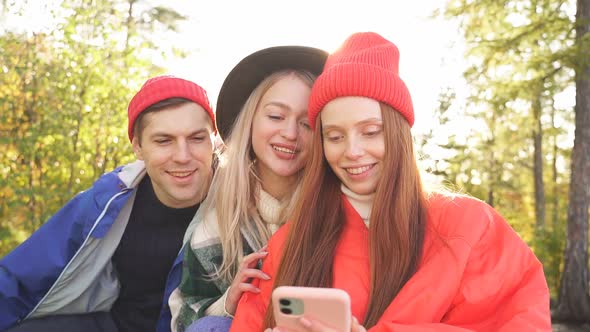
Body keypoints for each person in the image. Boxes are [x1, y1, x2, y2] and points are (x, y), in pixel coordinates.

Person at [230, 32, 552, 331]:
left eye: (371, 132)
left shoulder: (470, 227)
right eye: (335, 136)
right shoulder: (291, 243)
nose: (352, 152)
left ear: (399, 133)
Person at [0, 75, 218, 332]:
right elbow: (22, 276)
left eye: (196, 138)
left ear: (214, 138)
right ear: (138, 147)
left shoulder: (242, 202)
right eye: (163, 141)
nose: (183, 156)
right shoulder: (109, 201)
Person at [168, 45, 328, 332]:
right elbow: (182, 317)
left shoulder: (333, 211)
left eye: (307, 123)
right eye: (276, 117)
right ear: (250, 120)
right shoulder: (214, 226)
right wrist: (228, 302)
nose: (290, 133)